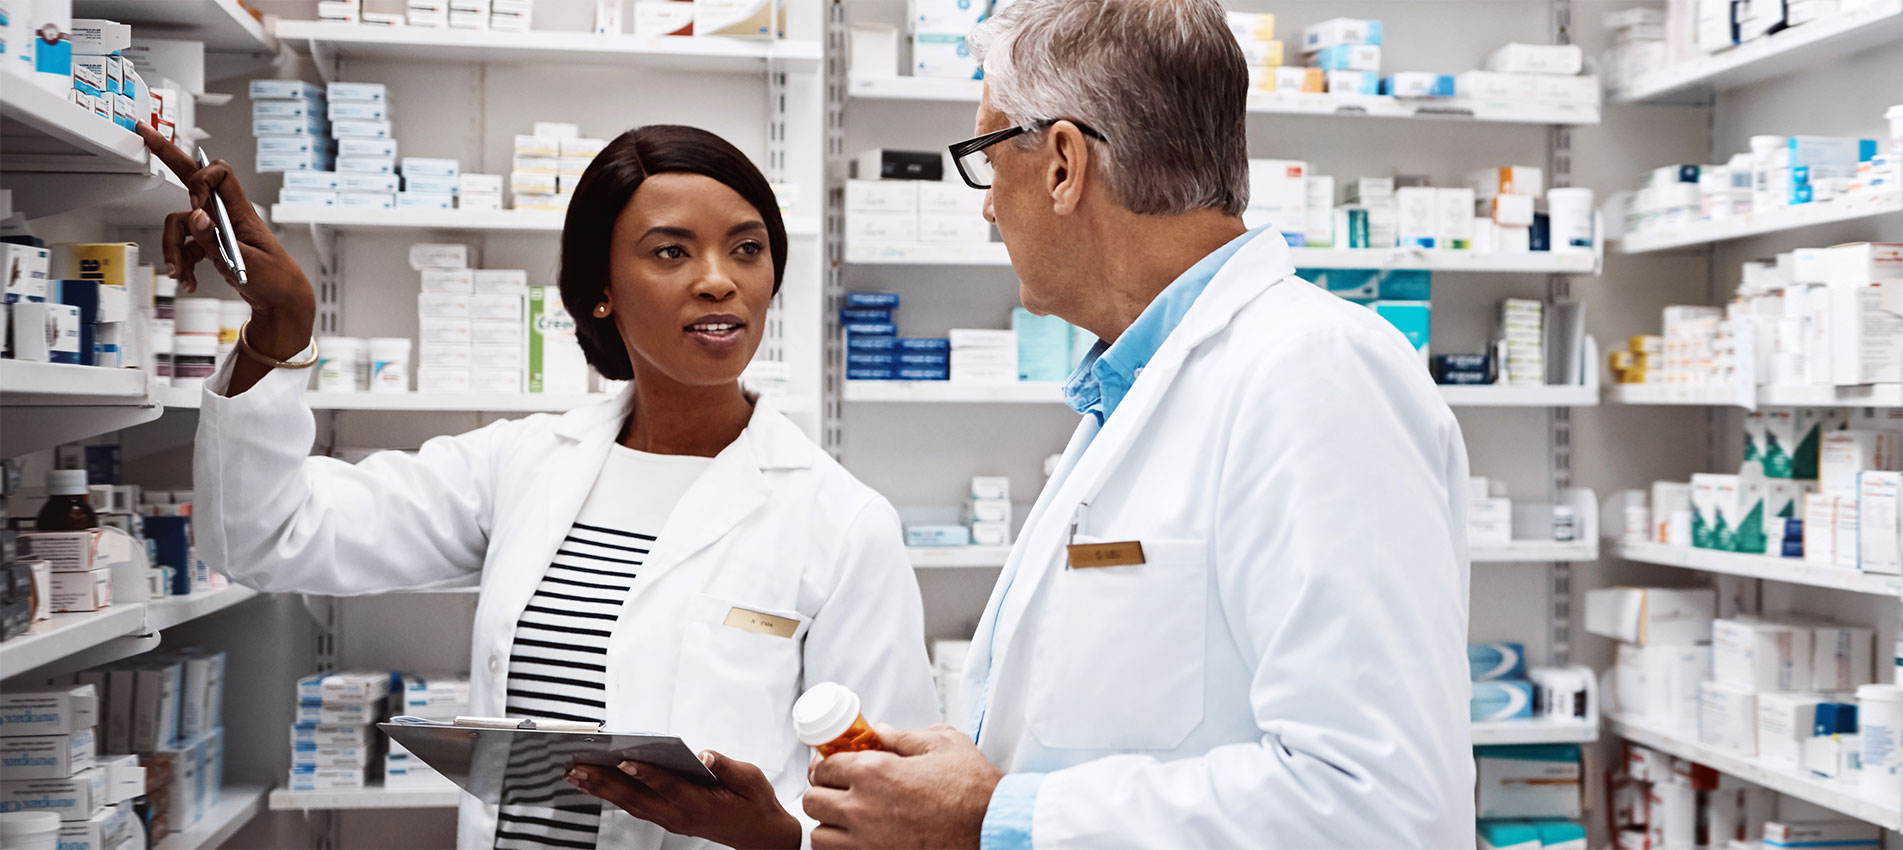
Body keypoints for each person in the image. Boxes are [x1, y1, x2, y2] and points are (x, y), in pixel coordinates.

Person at [140, 122, 940, 850]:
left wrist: (776, 838)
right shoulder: (522, 465)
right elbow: (264, 537)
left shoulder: (838, 520)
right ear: (601, 288)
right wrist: (281, 328)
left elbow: (900, 811)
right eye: (670, 251)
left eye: (746, 248)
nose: (718, 280)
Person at [800, 1, 1476, 847]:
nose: (983, 209)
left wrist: (993, 814)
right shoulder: (1136, 384)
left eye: (984, 155)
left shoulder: (1315, 373)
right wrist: (967, 772)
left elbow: (1378, 801)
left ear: (1060, 164)